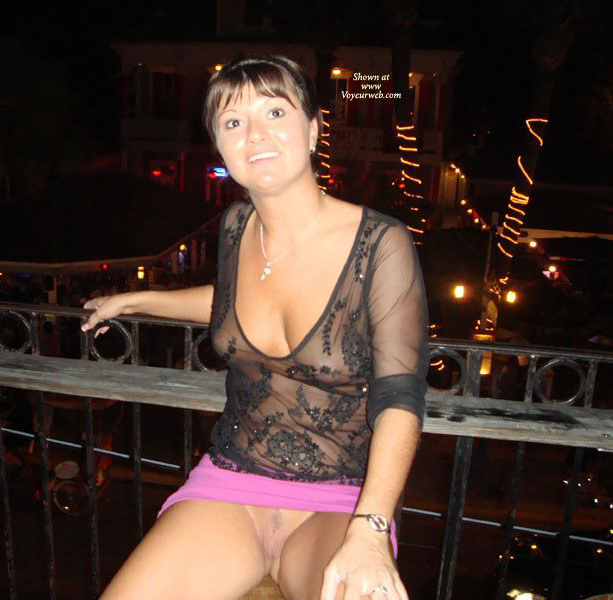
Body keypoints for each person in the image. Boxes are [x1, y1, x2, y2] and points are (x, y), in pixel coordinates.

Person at [82, 54, 429, 600]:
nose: (254, 134)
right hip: (231, 479)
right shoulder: (237, 226)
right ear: (220, 147)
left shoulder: (380, 244)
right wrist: (137, 300)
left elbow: (400, 397)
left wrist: (371, 527)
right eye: (233, 121)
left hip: (340, 497)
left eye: (274, 112)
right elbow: (234, 305)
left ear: (312, 129)